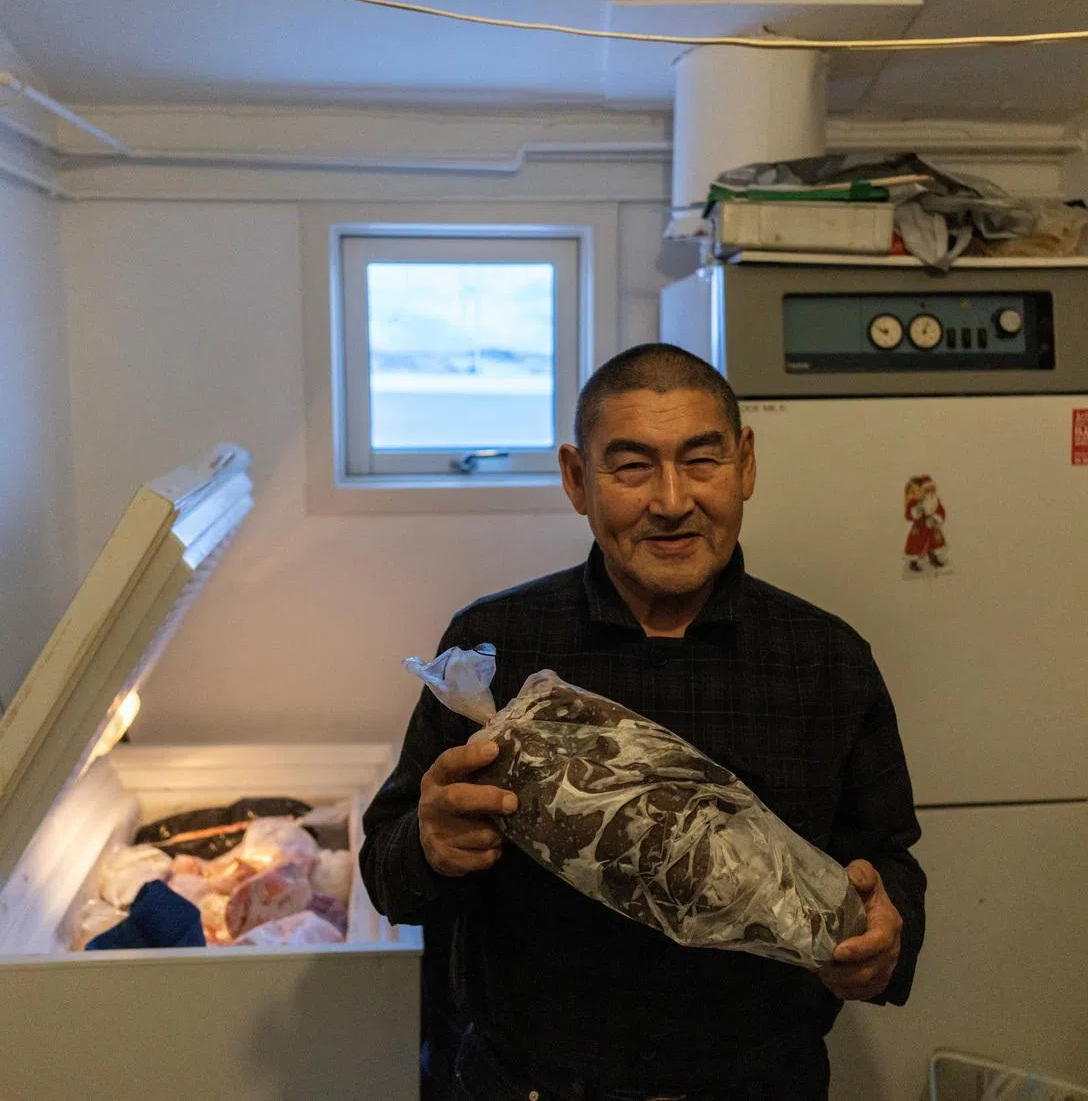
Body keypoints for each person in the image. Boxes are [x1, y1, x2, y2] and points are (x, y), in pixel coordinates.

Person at [360, 343, 926, 1101]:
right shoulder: (496, 651)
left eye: (701, 461)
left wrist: (888, 934)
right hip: (530, 1082)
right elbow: (390, 874)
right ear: (576, 479)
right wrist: (430, 845)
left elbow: (888, 859)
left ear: (745, 464)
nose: (670, 501)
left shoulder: (824, 660)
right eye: (631, 467)